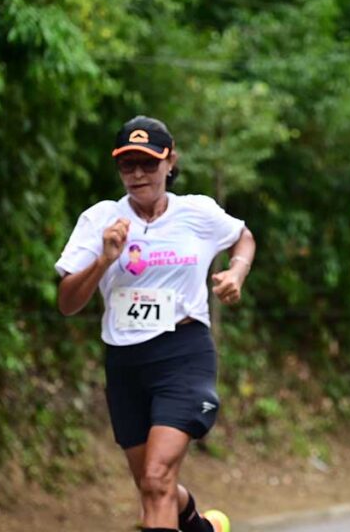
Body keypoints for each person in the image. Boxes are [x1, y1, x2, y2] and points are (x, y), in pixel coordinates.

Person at [56, 116, 253, 532]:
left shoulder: (196, 212)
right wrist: (105, 258)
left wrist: (236, 273)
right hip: (125, 362)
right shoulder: (100, 220)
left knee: (156, 478)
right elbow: (68, 302)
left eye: (147, 163)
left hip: (183, 353)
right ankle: (204, 528)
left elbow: (243, 236)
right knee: (152, 485)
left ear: (170, 161)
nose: (138, 174)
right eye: (127, 165)